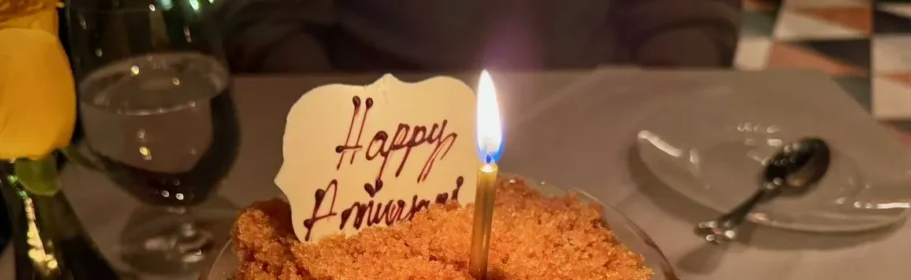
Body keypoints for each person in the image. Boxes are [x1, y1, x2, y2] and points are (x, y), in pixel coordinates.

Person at [225, 0, 740, 74]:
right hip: (374, 98)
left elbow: (688, 13)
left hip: (595, 97)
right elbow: (271, 17)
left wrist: (673, 88)